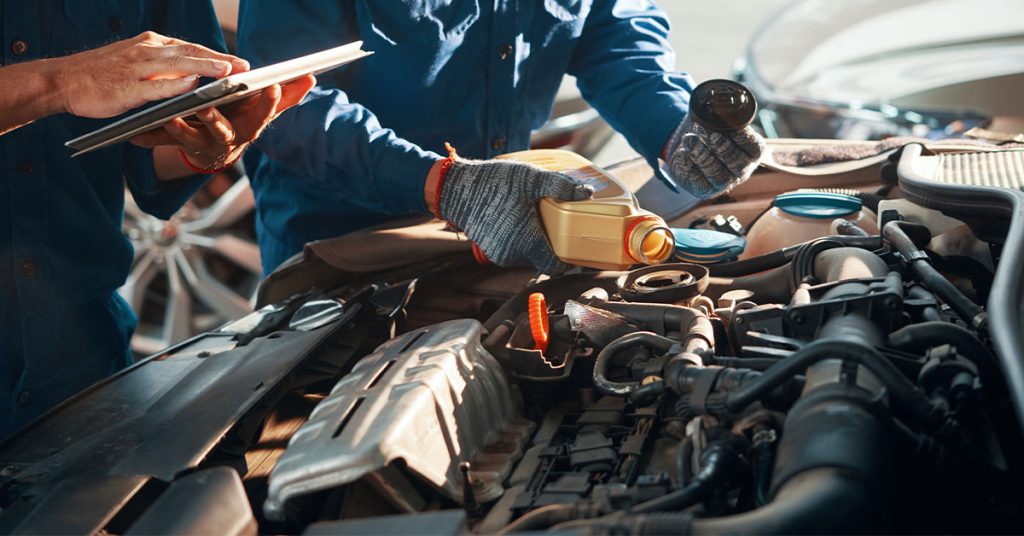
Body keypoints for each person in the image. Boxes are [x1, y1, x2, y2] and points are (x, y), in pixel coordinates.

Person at [238, 0, 765, 275]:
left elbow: (615, 39)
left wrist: (675, 135)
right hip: (343, 250)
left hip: (514, 233)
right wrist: (443, 185)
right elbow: (284, 101)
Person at [0, 1, 314, 437]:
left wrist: (210, 146)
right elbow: (77, 83)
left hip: (84, 364)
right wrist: (63, 81)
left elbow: (152, 153)